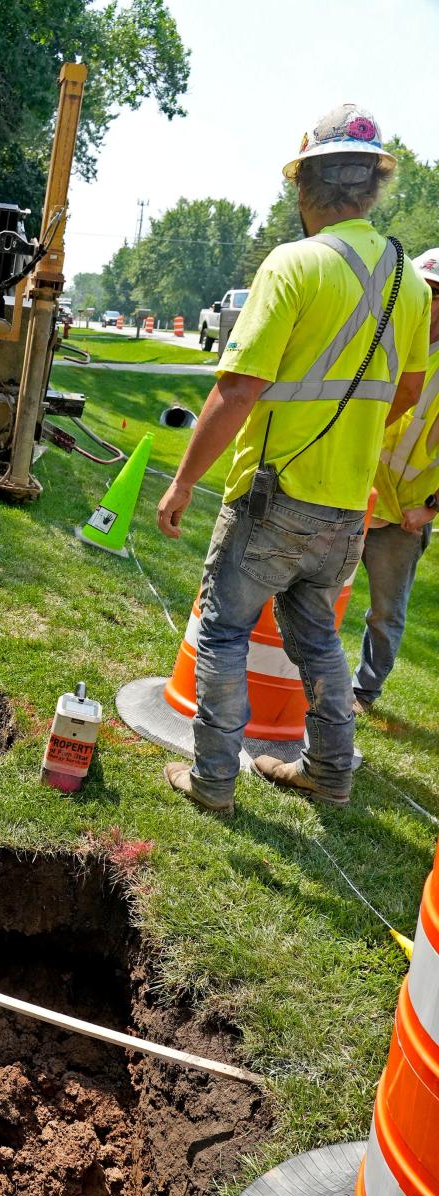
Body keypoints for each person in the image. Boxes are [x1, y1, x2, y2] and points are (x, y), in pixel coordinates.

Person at [156, 103, 431, 816]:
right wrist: (354, 438)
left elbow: (239, 388)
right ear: (371, 188)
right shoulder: (406, 279)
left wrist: (184, 481)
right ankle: (330, 772)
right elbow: (406, 387)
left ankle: (214, 779)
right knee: (319, 640)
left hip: (272, 496)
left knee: (222, 629)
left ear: (307, 185)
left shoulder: (293, 264)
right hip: (345, 507)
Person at [352, 249, 439, 714]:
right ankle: (298, 672)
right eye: (425, 290)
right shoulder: (385, 335)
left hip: (405, 512)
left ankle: (363, 691)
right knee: (311, 588)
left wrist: (431, 509)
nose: (430, 301)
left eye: (438, 293)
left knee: (385, 612)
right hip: (351, 491)